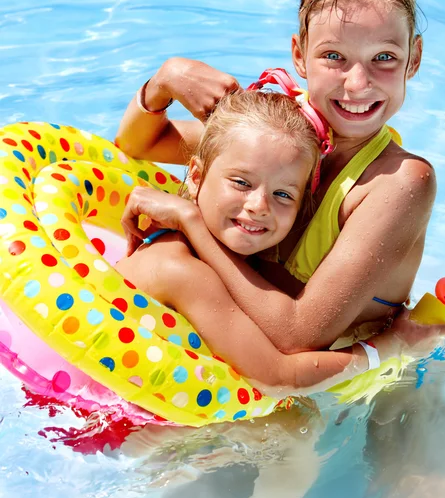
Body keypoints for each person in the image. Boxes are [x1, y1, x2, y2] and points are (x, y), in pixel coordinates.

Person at [116, 0, 445, 369]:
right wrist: (164, 80)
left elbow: (299, 337)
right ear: (299, 53)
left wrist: (190, 221)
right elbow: (138, 144)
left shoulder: (400, 181)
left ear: (413, 59)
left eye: (384, 58)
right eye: (333, 56)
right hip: (243, 359)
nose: (358, 83)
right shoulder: (279, 136)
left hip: (349, 385)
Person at [116, 89, 428, 397]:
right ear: (196, 176)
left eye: (283, 194)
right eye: (241, 183)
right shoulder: (180, 268)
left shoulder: (207, 255)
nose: (259, 205)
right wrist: (395, 344)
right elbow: (279, 378)